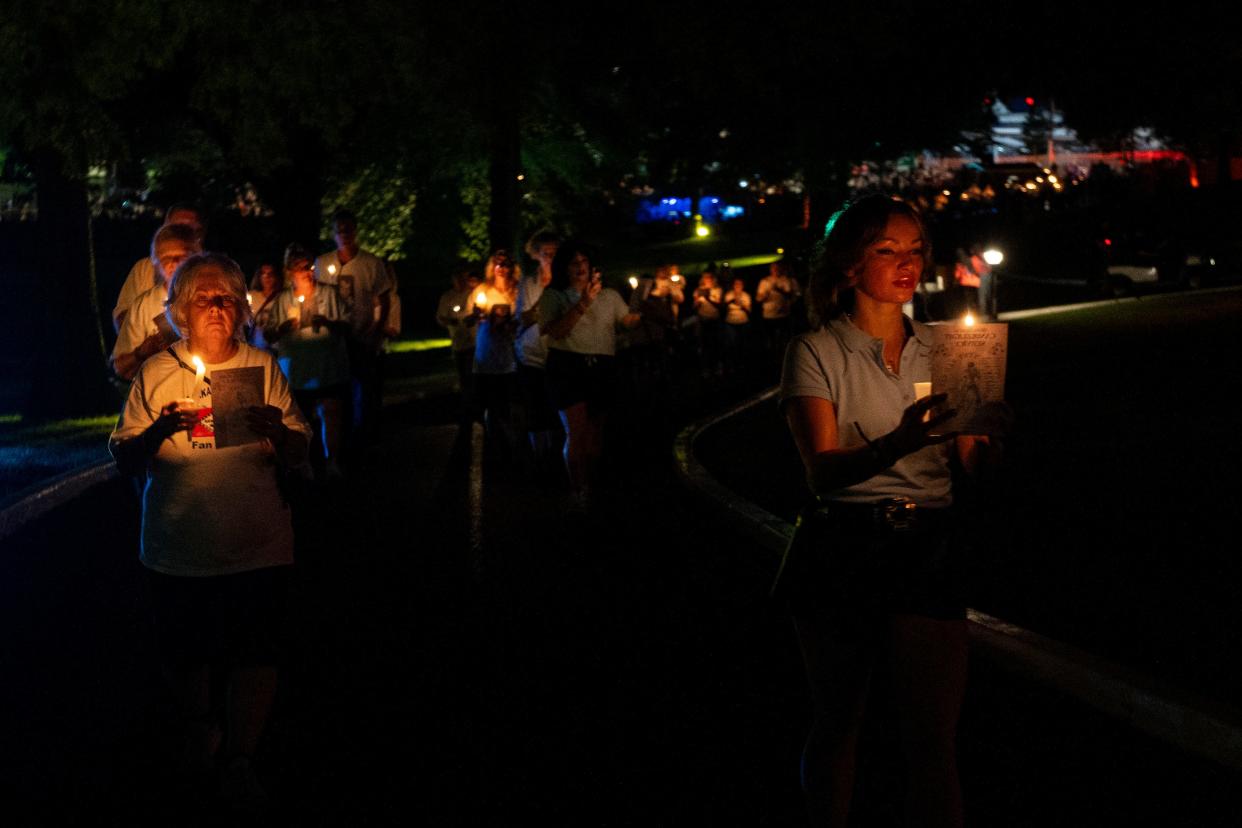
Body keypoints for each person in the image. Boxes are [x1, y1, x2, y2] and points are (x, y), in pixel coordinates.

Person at [777, 195, 1002, 828]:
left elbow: (969, 466)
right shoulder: (815, 351)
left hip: (927, 543)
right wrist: (900, 440)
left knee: (933, 738)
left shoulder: (947, 351)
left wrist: (988, 441)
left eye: (914, 250)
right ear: (850, 264)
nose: (906, 263)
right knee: (838, 721)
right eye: (886, 250)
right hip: (843, 545)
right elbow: (822, 471)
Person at [109, 252, 311, 808]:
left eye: (226, 297)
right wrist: (156, 434)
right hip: (180, 548)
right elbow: (123, 457)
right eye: (204, 298)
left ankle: (242, 757)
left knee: (256, 651)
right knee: (187, 655)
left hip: (258, 542)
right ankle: (202, 733)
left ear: (241, 309)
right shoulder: (156, 372)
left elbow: (299, 448)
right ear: (180, 312)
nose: (217, 307)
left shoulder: (261, 366)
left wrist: (279, 433)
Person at [537, 242, 641, 503]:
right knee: (577, 431)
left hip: (602, 367)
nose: (581, 267)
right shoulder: (554, 296)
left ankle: (591, 483)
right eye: (574, 262)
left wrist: (641, 302)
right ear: (564, 267)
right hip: (568, 367)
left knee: (595, 433)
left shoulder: (609, 295)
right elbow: (555, 330)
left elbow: (627, 322)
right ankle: (577, 489)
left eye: (585, 262)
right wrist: (584, 303)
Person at [264, 244, 351, 481]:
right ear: (291, 271)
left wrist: (329, 323)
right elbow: (269, 335)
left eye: (310, 267)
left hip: (328, 366)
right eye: (301, 268)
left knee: (332, 413)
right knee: (300, 419)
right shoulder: (283, 300)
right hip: (298, 370)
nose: (308, 272)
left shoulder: (329, 294)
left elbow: (347, 325)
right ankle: (303, 463)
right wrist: (282, 328)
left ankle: (332, 460)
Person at [315, 208, 395, 448]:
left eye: (348, 229)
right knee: (337, 394)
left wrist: (375, 331)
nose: (344, 234)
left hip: (362, 337)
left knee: (366, 394)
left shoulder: (371, 264)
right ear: (333, 234)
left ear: (355, 231)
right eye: (339, 230)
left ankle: (365, 440)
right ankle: (339, 441)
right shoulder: (323, 263)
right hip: (332, 341)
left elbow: (385, 298)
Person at [110, 223, 201, 380]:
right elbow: (120, 368)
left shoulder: (212, 299)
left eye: (182, 257)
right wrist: (141, 352)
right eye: (166, 258)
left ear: (196, 257)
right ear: (156, 262)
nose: (174, 263)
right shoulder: (143, 306)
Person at [111, 203, 206, 333]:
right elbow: (122, 321)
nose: (182, 236)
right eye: (176, 230)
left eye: (190, 231)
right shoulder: (144, 270)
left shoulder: (214, 272)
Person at [515, 230, 563, 478]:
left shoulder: (563, 283)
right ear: (536, 255)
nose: (550, 259)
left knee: (556, 408)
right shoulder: (528, 282)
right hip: (531, 355)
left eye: (554, 254)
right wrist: (537, 311)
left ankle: (557, 457)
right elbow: (521, 318)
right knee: (536, 408)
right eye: (545, 254)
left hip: (556, 353)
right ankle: (539, 458)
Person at [472, 249, 520, 455]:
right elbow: (469, 319)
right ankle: (492, 444)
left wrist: (509, 324)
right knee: (489, 402)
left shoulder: (518, 291)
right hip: (486, 353)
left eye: (505, 263)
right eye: (497, 263)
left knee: (508, 403)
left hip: (509, 354)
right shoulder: (483, 290)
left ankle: (511, 444)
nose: (501, 268)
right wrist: (478, 315)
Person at [435, 267, 482, 420]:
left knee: (472, 373)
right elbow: (441, 317)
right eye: (458, 278)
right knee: (463, 375)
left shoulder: (473, 294)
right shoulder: (447, 297)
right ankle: (466, 405)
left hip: (474, 341)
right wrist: (450, 321)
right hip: (458, 342)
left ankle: (475, 405)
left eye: (464, 277)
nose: (461, 281)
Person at [756, 258, 802, 360]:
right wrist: (765, 295)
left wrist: (780, 291)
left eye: (778, 268)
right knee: (771, 339)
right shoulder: (765, 281)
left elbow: (795, 295)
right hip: (769, 315)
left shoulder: (787, 280)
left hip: (784, 315)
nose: (776, 270)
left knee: (784, 338)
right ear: (770, 269)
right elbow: (758, 299)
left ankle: (784, 356)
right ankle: (772, 357)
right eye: (773, 268)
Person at [691, 267, 725, 376]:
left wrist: (708, 298)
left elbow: (719, 305)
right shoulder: (698, 290)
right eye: (705, 278)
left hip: (714, 320)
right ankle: (706, 368)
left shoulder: (717, 289)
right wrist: (698, 302)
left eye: (709, 278)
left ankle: (718, 366)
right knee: (704, 345)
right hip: (703, 321)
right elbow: (694, 306)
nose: (707, 280)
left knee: (716, 344)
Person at [247, 261, 283, 351]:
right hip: (257, 346)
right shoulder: (252, 296)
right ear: (259, 277)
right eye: (263, 274)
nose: (267, 277)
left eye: (271, 274)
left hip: (278, 346)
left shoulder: (283, 297)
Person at [722, 275, 752, 375]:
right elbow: (723, 307)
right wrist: (731, 301)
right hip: (730, 322)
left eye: (740, 284)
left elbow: (749, 311)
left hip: (743, 322)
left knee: (743, 343)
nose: (738, 286)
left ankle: (743, 363)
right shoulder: (729, 295)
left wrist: (742, 305)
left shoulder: (746, 296)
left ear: (743, 286)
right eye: (736, 284)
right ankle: (732, 364)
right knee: (732, 344)